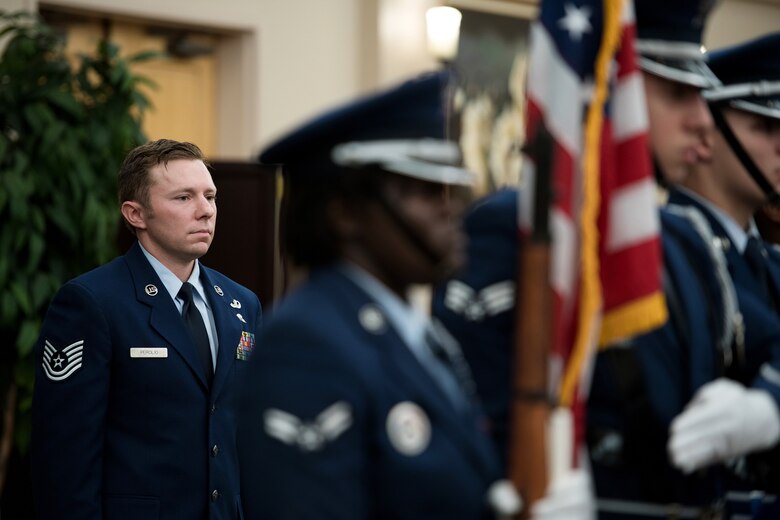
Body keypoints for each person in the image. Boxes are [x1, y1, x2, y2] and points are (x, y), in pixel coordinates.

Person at [237, 71, 584, 519]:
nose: (450, 208)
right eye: (423, 192)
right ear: (345, 214)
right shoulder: (307, 344)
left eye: (446, 188)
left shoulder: (413, 333)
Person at [31, 139, 263, 519]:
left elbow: (248, 439)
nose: (206, 211)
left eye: (210, 196)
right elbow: (64, 461)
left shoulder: (241, 304)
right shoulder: (92, 303)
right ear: (136, 213)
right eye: (184, 198)